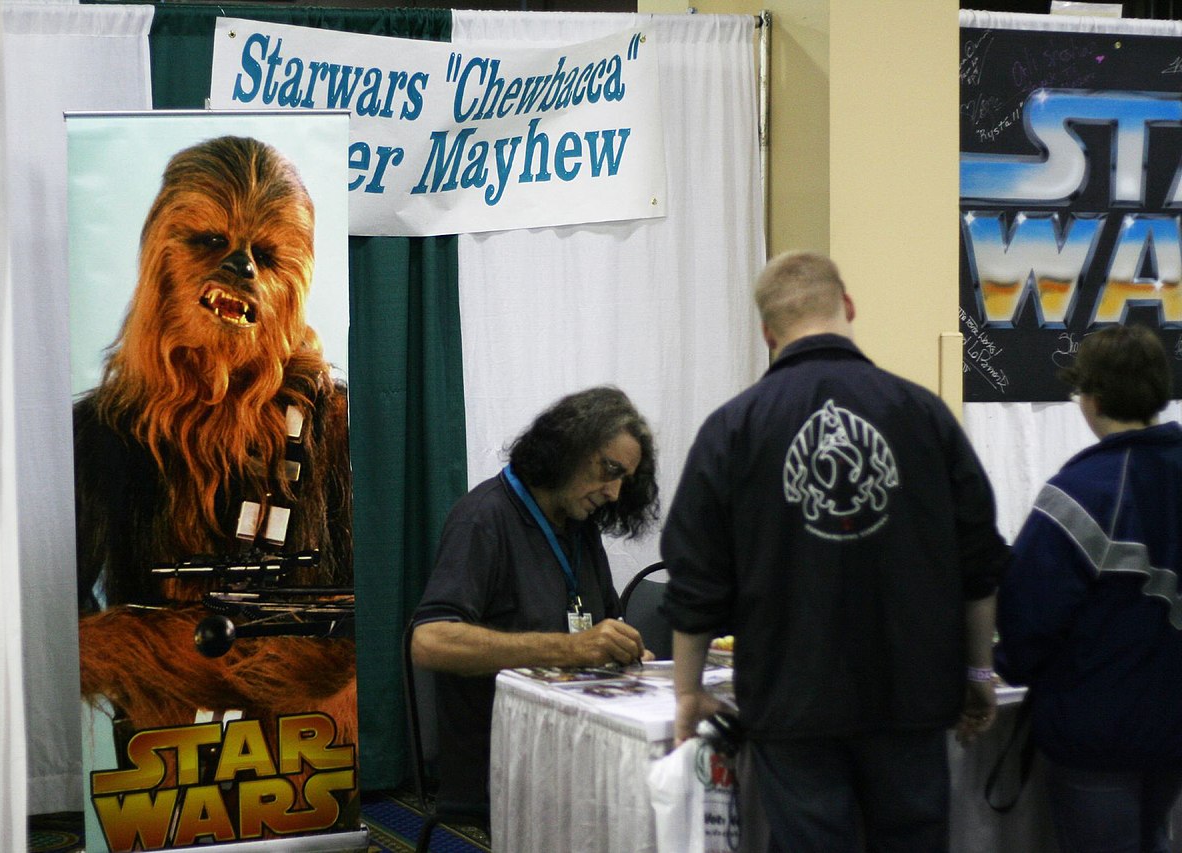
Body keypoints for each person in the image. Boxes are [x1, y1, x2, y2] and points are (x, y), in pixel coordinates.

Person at [661, 251, 1009, 852]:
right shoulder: (925, 415)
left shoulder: (732, 429)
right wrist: (978, 673)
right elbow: (978, 561)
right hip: (911, 699)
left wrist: (688, 692)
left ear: (767, 332)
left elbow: (695, 581)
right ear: (848, 307)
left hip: (793, 705)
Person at [410, 385, 660, 817]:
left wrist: (623, 651)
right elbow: (429, 641)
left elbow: (601, 629)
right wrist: (571, 649)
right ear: (567, 448)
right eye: (609, 470)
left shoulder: (580, 526)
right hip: (505, 762)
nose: (616, 493)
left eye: (625, 479)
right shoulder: (483, 519)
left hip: (577, 747)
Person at [995, 324, 1182, 853]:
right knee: (1156, 838)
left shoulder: (1079, 494)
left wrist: (1008, 665)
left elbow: (1028, 618)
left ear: (1091, 398)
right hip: (1172, 728)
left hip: (1096, 733)